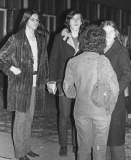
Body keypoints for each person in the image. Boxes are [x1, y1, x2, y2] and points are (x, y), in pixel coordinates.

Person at [0, 9, 49, 160]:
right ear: (25, 20)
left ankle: (27, 148)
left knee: (29, 118)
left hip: (35, 83)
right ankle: (20, 152)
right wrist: (12, 68)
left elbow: (43, 61)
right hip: (20, 85)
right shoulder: (16, 38)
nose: (36, 22)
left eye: (37, 20)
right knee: (20, 119)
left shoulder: (40, 39)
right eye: (33, 19)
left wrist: (45, 80)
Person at [63, 24, 119, 160]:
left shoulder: (73, 61)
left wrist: (78, 95)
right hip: (101, 112)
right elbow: (115, 89)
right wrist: (109, 109)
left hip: (81, 110)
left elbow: (67, 89)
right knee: (99, 149)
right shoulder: (103, 61)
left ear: (83, 40)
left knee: (83, 148)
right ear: (101, 41)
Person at [47, 10, 84, 157]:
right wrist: (51, 81)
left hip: (82, 83)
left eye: (78, 19)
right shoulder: (59, 38)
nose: (76, 21)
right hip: (64, 82)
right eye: (73, 19)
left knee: (78, 115)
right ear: (68, 21)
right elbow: (54, 60)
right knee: (64, 115)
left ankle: (76, 144)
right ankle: (63, 145)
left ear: (82, 22)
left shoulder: (85, 38)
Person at [100, 21, 131, 160]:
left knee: (115, 138)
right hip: (99, 99)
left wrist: (114, 91)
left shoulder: (120, 50)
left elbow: (127, 75)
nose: (107, 34)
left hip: (115, 100)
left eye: (111, 31)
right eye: (105, 31)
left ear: (116, 34)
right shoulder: (98, 48)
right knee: (102, 139)